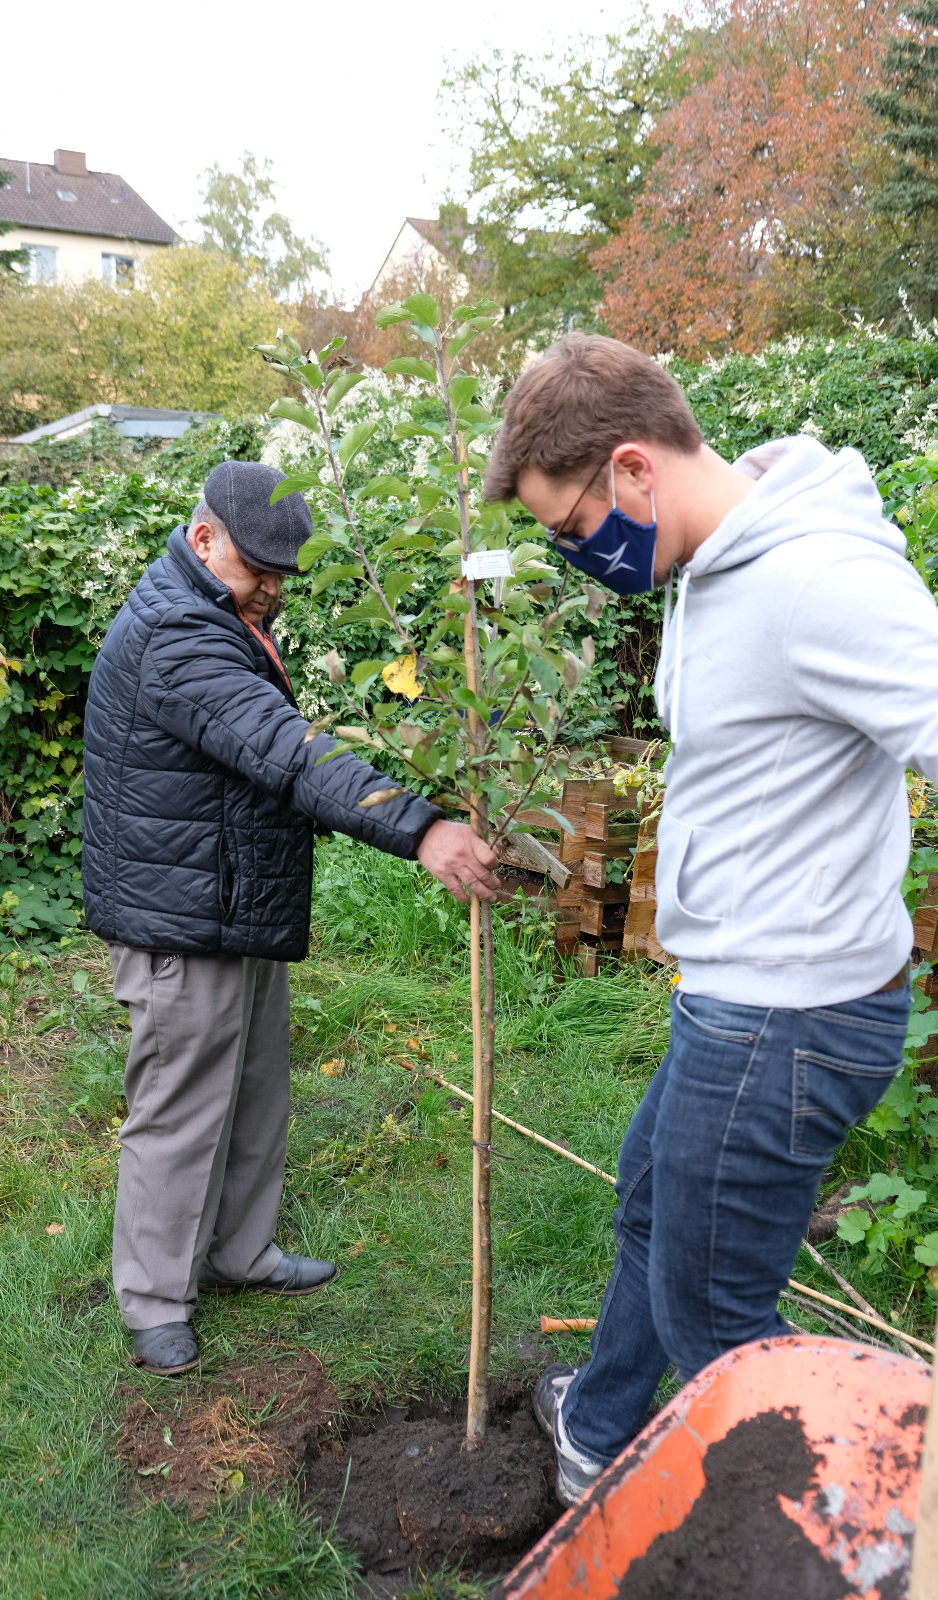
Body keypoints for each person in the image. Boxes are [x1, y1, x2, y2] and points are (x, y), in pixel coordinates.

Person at [484, 332, 938, 1505]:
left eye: (572, 531)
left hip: (787, 1017)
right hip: (736, 1001)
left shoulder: (817, 580)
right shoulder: (721, 560)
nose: (576, 559)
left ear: (632, 469)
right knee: (649, 1198)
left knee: (715, 1306)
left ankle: (845, 1528)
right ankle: (600, 1426)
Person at [82, 460, 499, 1376]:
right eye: (258, 569)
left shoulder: (221, 615)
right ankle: (155, 1298)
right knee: (181, 1109)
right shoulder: (176, 637)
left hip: (231, 902)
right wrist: (419, 828)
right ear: (202, 540)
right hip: (180, 916)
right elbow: (285, 750)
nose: (273, 589)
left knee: (255, 1088)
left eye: (283, 573)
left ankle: (238, 1251)